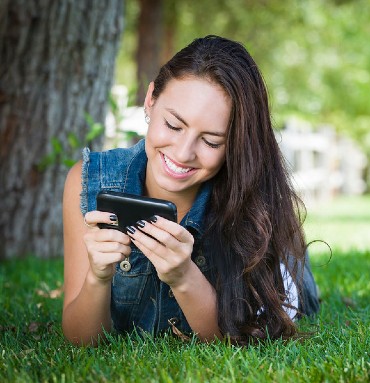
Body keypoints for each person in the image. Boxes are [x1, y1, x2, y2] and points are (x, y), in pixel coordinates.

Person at [62, 35, 319, 346]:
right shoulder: (90, 181)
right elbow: (79, 340)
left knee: (294, 295)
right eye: (173, 125)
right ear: (150, 100)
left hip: (284, 279)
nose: (183, 153)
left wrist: (184, 276)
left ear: (234, 145)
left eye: (211, 141)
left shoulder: (253, 201)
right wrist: (97, 277)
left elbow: (239, 340)